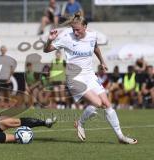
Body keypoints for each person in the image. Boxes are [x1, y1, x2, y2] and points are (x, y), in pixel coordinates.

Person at [43, 13, 137, 144]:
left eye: (78, 30)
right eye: (73, 30)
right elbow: (46, 50)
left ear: (85, 27)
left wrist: (102, 62)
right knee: (98, 103)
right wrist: (50, 39)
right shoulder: (66, 38)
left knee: (107, 104)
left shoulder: (92, 35)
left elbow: (96, 48)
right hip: (74, 78)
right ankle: (80, 123)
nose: (75, 32)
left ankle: (120, 137)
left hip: (90, 75)